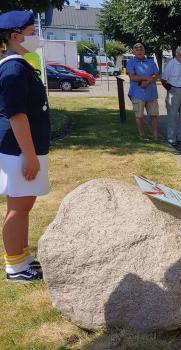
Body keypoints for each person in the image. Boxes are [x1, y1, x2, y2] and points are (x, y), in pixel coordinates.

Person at [0, 11, 50, 282]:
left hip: (23, 148)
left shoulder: (17, 64)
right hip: (20, 150)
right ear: (15, 36)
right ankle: (14, 266)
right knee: (18, 207)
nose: (36, 36)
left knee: (23, 205)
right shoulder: (14, 67)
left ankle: (22, 256)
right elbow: (16, 114)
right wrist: (29, 156)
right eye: (32, 31)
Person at [126, 43, 160, 140]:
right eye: (136, 49)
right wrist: (146, 78)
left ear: (144, 51)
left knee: (154, 115)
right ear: (133, 52)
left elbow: (156, 75)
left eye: (141, 49)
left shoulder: (151, 62)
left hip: (151, 94)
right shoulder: (131, 62)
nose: (139, 50)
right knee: (139, 116)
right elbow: (132, 76)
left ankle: (155, 136)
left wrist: (148, 81)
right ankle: (142, 136)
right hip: (137, 94)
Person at [161, 46, 181, 146]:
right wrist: (170, 90)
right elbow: (163, 79)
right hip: (174, 89)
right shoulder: (171, 64)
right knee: (172, 116)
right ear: (178, 54)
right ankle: (171, 138)